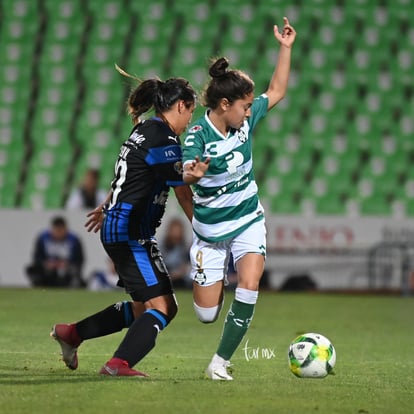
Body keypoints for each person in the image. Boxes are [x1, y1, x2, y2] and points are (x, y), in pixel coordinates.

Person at [50, 69, 201, 377]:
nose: (189, 122)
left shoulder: (145, 130)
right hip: (131, 232)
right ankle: (119, 364)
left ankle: (73, 334)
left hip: (123, 227)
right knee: (162, 307)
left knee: (147, 307)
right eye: (191, 113)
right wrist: (204, 230)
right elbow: (182, 191)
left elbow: (129, 174)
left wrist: (107, 203)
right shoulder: (164, 137)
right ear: (181, 105)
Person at [182, 17, 297, 380]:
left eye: (250, 107)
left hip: (248, 218)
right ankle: (210, 271)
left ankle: (219, 362)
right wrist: (191, 174)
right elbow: (184, 170)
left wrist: (285, 48)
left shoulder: (244, 121)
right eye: (245, 106)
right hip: (211, 232)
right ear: (225, 104)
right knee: (206, 313)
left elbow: (276, 91)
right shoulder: (198, 134)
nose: (250, 112)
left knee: (250, 285)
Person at [26, 216, 85, 287]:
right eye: (57, 230)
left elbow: (79, 259)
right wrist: (45, 264)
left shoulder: (74, 240)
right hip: (47, 270)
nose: (59, 233)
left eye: (61, 230)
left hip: (66, 270)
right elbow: (37, 256)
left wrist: (67, 264)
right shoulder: (43, 238)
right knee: (31, 270)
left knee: (74, 273)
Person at [159, 217, 191, 289]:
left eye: (178, 230)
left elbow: (187, 266)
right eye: (174, 230)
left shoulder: (185, 248)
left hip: (180, 278)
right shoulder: (161, 246)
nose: (176, 233)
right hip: (165, 275)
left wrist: (178, 274)